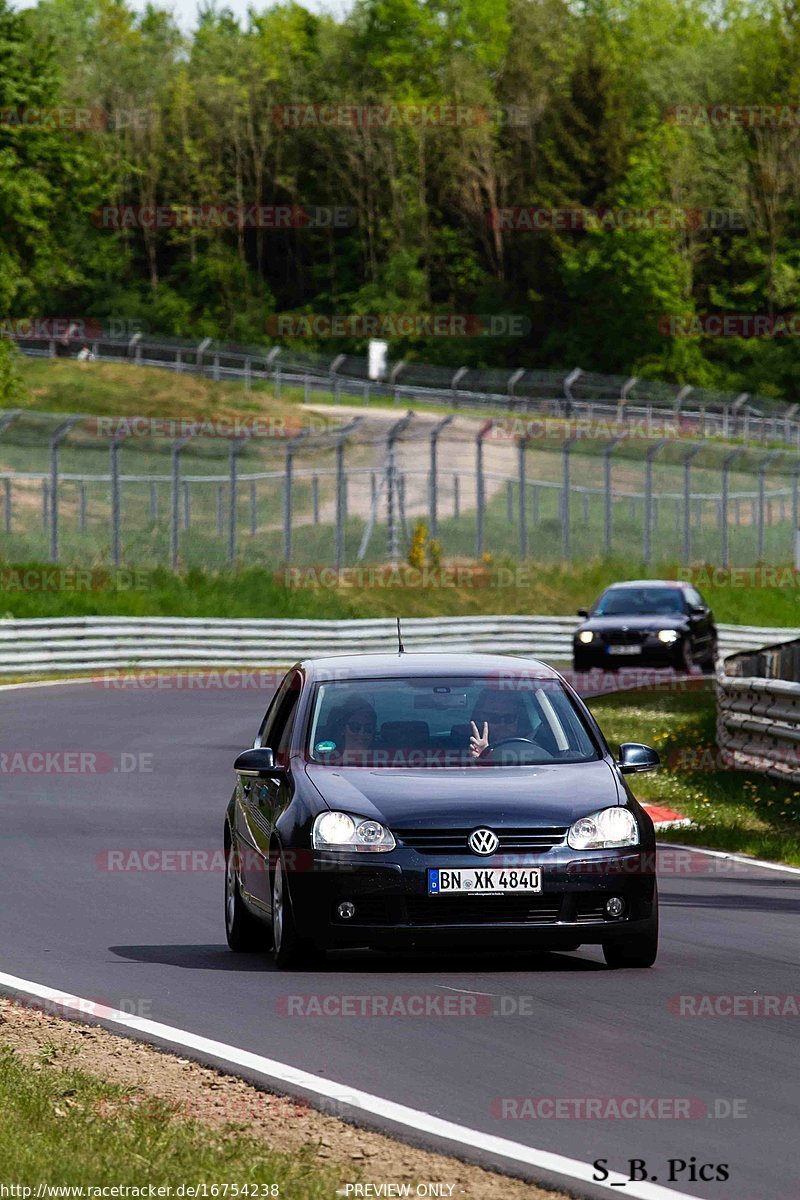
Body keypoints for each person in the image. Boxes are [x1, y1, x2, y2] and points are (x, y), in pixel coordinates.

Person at [469, 688, 531, 760]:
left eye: (509, 718)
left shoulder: (535, 748)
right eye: (494, 718)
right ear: (482, 720)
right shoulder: (459, 751)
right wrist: (483, 757)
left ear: (519, 720)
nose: (502, 724)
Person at [327, 697, 377, 763]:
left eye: (368, 728)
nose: (361, 733)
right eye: (355, 727)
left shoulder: (387, 766)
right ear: (343, 729)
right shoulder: (324, 768)